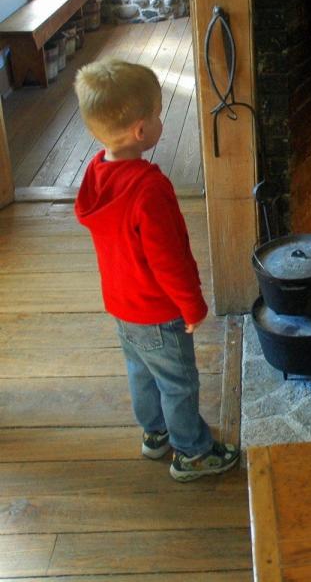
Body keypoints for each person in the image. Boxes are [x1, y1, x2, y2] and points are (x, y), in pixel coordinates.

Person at [74, 58, 240, 482]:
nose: (161, 120)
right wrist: (192, 306)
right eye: (159, 113)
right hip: (158, 310)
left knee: (141, 372)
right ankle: (193, 452)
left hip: (122, 303)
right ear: (141, 131)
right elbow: (169, 259)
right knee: (178, 382)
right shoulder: (149, 189)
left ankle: (155, 433)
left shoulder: (97, 172)